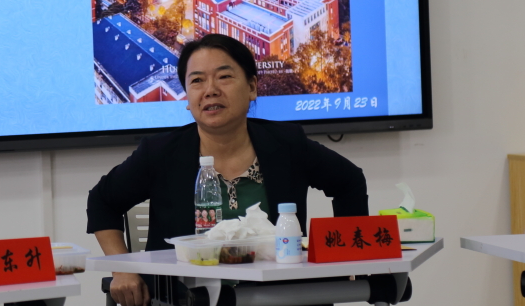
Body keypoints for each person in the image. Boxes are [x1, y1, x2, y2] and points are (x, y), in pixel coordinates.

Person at [87, 33, 368, 306]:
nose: (210, 90)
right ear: (187, 98)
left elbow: (349, 182)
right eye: (197, 80)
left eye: (224, 76)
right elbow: (102, 201)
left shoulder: (286, 144)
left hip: (278, 297)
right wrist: (122, 269)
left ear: (252, 87)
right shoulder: (160, 153)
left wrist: (347, 260)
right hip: (187, 298)